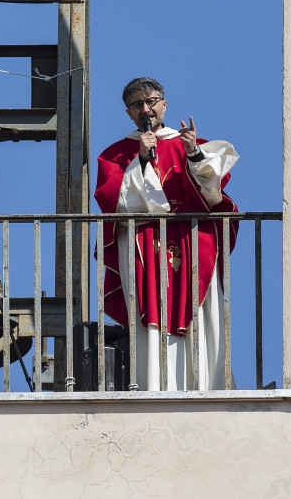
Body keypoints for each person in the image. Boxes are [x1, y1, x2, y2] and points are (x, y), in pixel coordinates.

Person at [95, 77, 239, 391]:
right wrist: (141, 159)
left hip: (192, 242)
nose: (146, 108)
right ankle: (152, 386)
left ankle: (205, 386)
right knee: (149, 314)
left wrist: (193, 156)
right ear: (129, 113)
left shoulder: (193, 145)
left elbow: (213, 195)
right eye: (137, 104)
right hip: (143, 246)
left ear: (164, 104)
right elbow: (115, 204)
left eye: (151, 101)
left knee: (199, 318)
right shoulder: (116, 155)